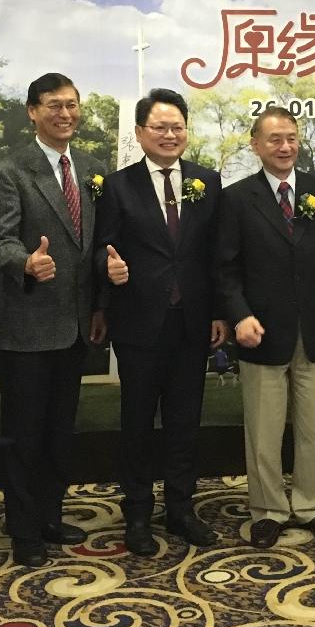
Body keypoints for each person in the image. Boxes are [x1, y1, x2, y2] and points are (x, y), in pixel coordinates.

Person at [0, 73, 107, 567]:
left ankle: (51, 515)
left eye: (72, 105)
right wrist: (25, 263)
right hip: (29, 324)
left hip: (77, 324)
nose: (66, 114)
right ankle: (24, 529)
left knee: (59, 431)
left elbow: (95, 245)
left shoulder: (94, 169)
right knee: (25, 433)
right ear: (32, 111)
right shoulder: (10, 171)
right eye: (54, 105)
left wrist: (99, 306)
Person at [94, 88, 228, 556]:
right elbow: (100, 248)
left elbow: (217, 256)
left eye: (177, 127)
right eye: (160, 127)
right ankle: (136, 513)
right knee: (136, 423)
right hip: (138, 325)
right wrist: (107, 271)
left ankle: (181, 508)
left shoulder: (207, 182)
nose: (170, 135)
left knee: (184, 423)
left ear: (187, 132)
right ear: (140, 133)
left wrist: (218, 313)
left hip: (192, 325)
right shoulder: (117, 186)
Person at [216, 106, 315, 548]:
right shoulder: (235, 199)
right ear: (255, 145)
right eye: (274, 139)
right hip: (260, 332)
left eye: (291, 137)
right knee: (264, 429)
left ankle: (312, 506)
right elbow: (226, 268)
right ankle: (268, 510)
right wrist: (240, 315)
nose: (285, 146)